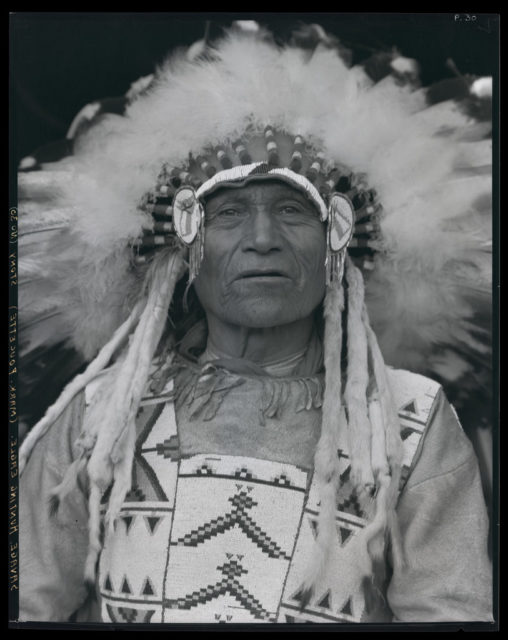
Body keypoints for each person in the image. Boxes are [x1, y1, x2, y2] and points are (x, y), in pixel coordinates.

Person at [18, 24, 493, 624]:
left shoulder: (406, 424)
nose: (262, 240)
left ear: (336, 243)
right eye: (231, 212)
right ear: (187, 247)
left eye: (293, 210)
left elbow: (450, 608)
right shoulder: (100, 418)